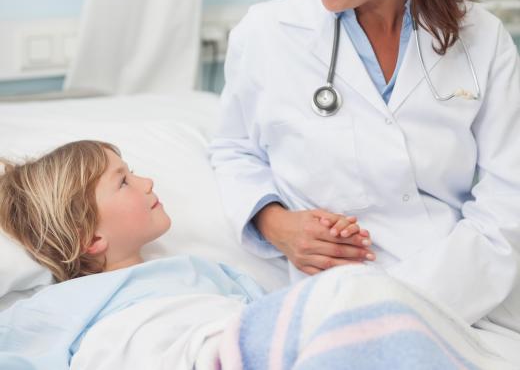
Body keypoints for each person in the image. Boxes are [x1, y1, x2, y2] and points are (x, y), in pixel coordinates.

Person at [210, 0, 520, 361]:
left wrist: (407, 301)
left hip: (464, 294)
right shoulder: (267, 34)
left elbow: (508, 196)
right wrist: (278, 225)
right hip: (327, 298)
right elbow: (233, 150)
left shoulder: (481, 39)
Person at [0, 140, 516, 369]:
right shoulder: (63, 304)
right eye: (124, 181)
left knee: (350, 296)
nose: (147, 180)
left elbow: (267, 319)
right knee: (350, 292)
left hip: (244, 346)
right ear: (92, 238)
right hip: (196, 357)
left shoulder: (203, 271)